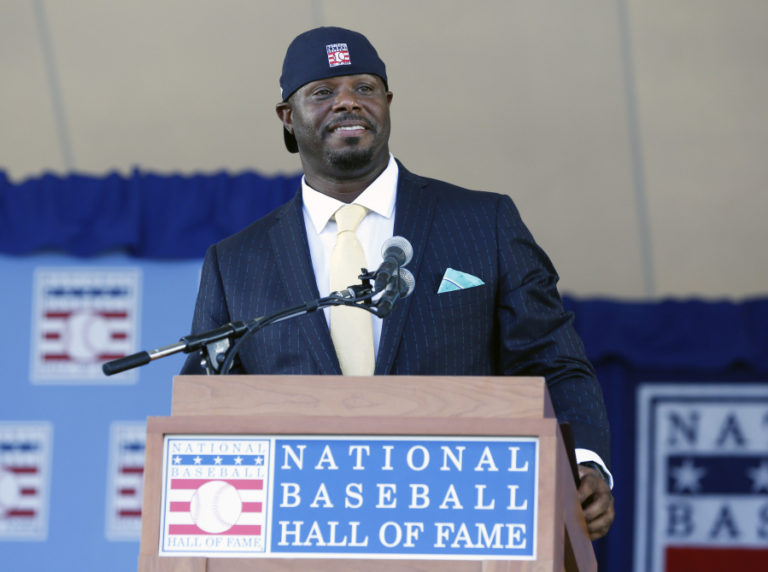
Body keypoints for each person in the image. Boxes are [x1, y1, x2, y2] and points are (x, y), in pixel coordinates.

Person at [182, 26, 615, 539]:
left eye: (365, 88)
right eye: (323, 92)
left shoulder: (484, 222)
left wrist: (583, 461)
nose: (347, 102)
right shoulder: (236, 263)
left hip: (464, 526)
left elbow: (553, 360)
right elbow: (207, 404)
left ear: (388, 103)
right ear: (287, 118)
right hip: (305, 534)